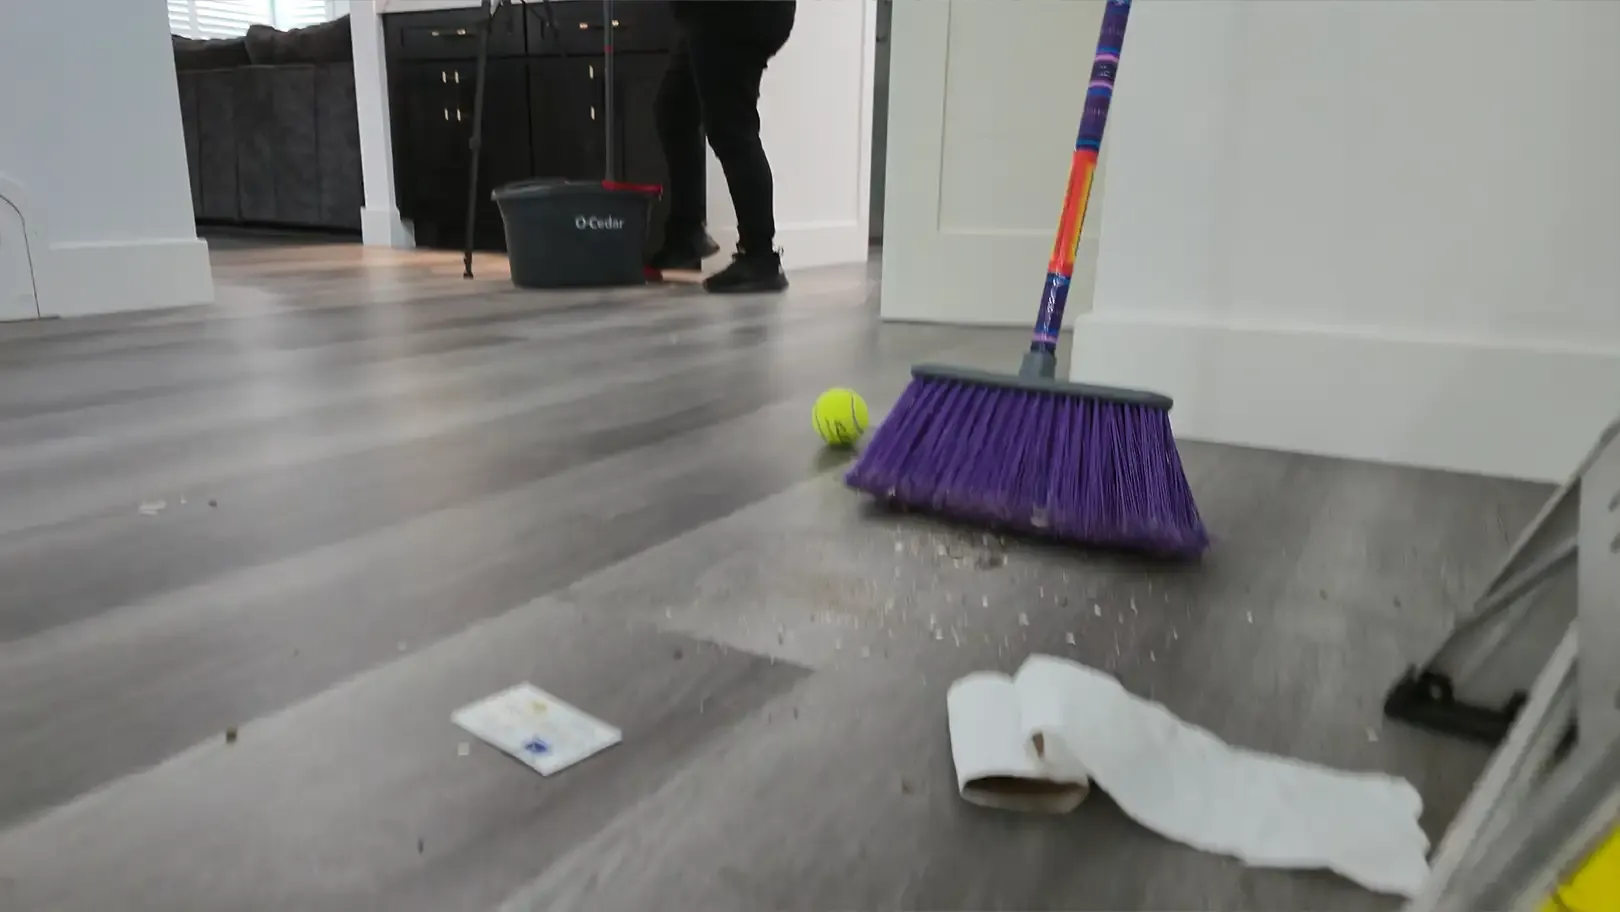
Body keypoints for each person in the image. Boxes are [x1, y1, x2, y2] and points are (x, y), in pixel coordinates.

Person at [649, 0, 796, 293]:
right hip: (711, 12)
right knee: (674, 109)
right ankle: (686, 232)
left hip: (729, 11)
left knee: (731, 126)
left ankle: (760, 256)